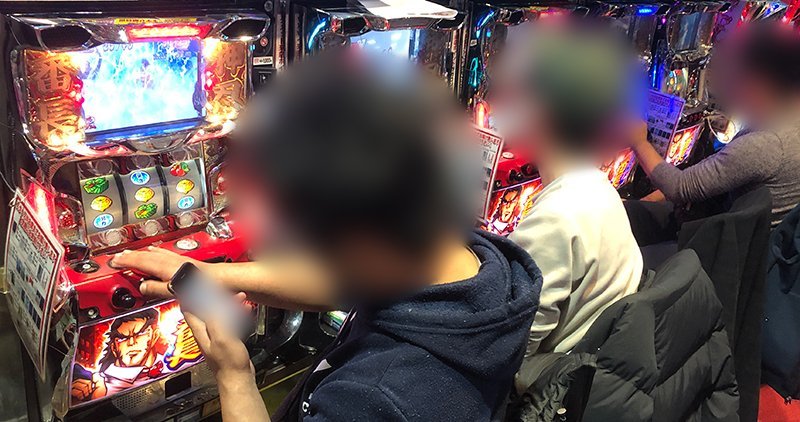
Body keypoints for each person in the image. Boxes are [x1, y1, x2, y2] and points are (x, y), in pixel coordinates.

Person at [111, 51, 542, 421]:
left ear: (357, 240)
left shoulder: (373, 398)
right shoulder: (483, 265)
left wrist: (234, 376)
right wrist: (215, 274)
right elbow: (352, 281)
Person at [491, 20, 645, 362]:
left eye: (517, 94)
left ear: (542, 112)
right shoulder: (599, 188)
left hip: (548, 382)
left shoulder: (556, 220)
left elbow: (509, 350)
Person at [628, 22, 800, 226]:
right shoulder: (787, 117)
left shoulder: (767, 144)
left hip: (728, 241)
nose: (725, 80)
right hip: (744, 230)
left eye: (731, 71)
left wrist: (639, 142)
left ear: (758, 81)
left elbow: (679, 187)